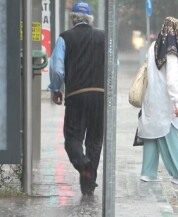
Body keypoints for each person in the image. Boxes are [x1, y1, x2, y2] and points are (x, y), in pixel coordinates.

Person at [49, 1, 105, 196]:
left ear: (72, 18)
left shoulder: (65, 38)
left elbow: (56, 68)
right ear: (90, 19)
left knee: (73, 139)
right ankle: (88, 184)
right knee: (95, 141)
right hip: (100, 95)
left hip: (76, 96)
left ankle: (84, 165)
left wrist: (56, 89)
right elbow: (114, 64)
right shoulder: (103, 37)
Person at [137, 17, 178, 187]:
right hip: (165, 101)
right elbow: (171, 80)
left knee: (152, 136)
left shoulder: (153, 47)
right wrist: (177, 103)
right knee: (172, 136)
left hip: (150, 99)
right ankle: (177, 174)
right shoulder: (171, 52)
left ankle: (148, 173)